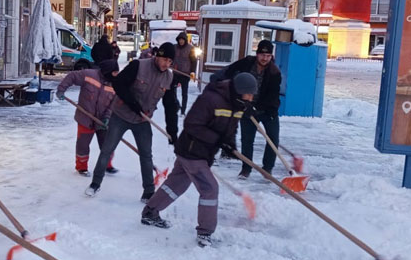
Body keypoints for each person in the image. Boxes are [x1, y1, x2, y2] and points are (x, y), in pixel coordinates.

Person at [141, 72, 257, 246]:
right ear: (239, 90)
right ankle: (205, 232)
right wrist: (218, 140)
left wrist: (230, 146)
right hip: (192, 150)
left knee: (176, 185)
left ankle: (150, 212)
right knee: (209, 188)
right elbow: (192, 124)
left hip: (201, 151)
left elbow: (230, 129)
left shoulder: (238, 104)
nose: (251, 97)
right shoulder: (211, 99)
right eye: (249, 93)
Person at [85, 43, 174, 201]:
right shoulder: (138, 66)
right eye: (165, 60)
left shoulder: (169, 76)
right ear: (157, 56)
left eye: (170, 62)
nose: (166, 64)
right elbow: (119, 84)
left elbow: (170, 105)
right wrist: (133, 104)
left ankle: (148, 192)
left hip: (142, 120)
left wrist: (172, 131)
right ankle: (95, 184)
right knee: (106, 150)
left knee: (146, 155)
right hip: (121, 115)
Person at [216, 39, 282, 179]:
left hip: (268, 110)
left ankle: (267, 168)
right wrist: (218, 78)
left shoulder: (274, 73)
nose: (265, 58)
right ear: (257, 54)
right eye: (262, 55)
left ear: (271, 56)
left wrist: (257, 108)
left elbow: (272, 97)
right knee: (247, 140)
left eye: (268, 56)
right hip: (246, 107)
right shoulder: (246, 63)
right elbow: (230, 70)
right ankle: (246, 168)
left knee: (273, 140)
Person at [56, 59, 120, 176]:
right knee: (83, 144)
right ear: (107, 71)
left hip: (102, 119)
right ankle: (82, 167)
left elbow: (113, 105)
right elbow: (72, 76)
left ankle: (107, 164)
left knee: (107, 143)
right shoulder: (89, 75)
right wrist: (61, 90)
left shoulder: (115, 84)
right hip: (85, 117)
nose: (116, 75)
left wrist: (107, 117)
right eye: (114, 73)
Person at [172, 33, 197, 115]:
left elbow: (194, 61)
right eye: (179, 40)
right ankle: (177, 105)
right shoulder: (174, 47)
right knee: (172, 91)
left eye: (182, 40)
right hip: (175, 73)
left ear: (185, 40)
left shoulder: (190, 48)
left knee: (184, 93)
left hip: (185, 74)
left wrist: (192, 72)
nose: (181, 41)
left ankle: (183, 110)